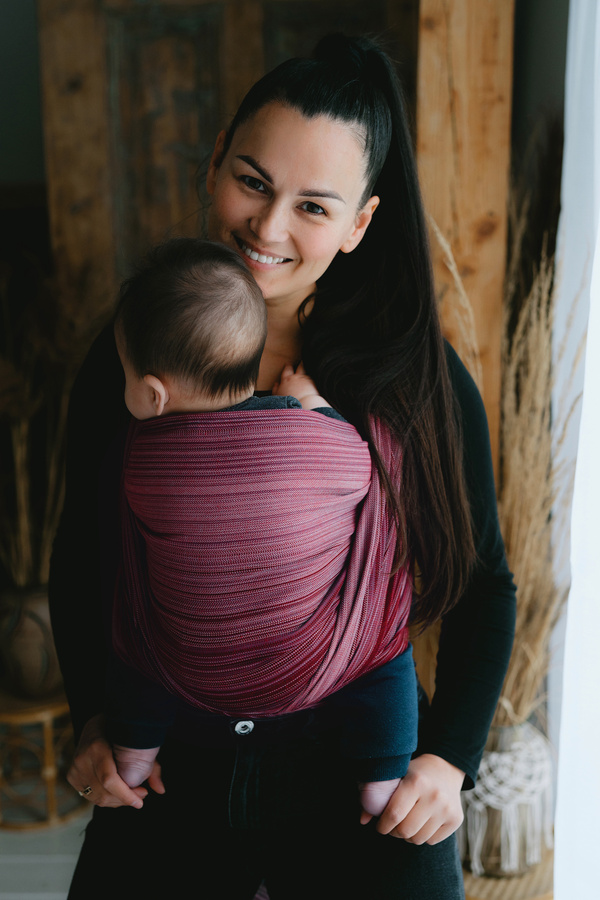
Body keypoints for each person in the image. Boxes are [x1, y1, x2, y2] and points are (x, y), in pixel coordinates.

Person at [49, 32, 516, 900]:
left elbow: (487, 585)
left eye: (313, 205)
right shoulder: (136, 351)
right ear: (215, 161)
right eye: (253, 183)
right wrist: (88, 719)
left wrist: (449, 759)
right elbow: (83, 554)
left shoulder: (412, 381)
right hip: (169, 768)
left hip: (357, 765)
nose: (266, 228)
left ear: (359, 225)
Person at [106, 236, 417, 817]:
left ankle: (132, 755)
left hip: (188, 662)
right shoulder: (314, 443)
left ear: (151, 394)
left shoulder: (142, 463)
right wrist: (312, 406)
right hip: (318, 657)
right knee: (384, 652)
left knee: (135, 641)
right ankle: (380, 778)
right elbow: (361, 472)